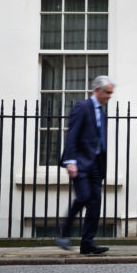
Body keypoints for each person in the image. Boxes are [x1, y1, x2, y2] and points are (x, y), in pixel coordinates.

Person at [56, 75, 115, 254]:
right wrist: (71, 161)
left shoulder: (102, 113)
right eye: (107, 93)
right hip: (81, 163)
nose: (109, 96)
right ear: (97, 90)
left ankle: (87, 243)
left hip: (96, 164)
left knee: (95, 203)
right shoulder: (82, 107)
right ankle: (63, 234)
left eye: (111, 93)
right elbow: (72, 134)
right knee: (83, 197)